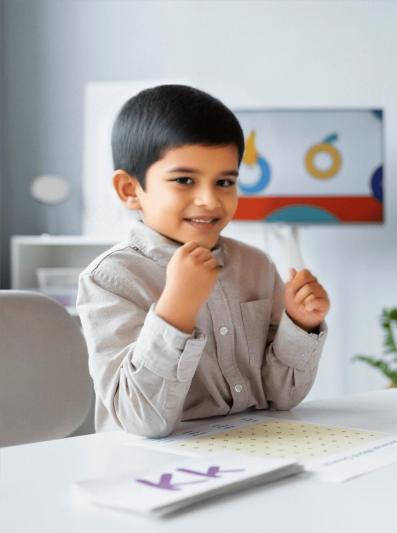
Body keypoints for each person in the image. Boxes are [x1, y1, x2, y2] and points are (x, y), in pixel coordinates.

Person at [77, 85, 330, 438]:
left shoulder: (256, 265)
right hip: (148, 462)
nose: (210, 200)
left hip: (252, 446)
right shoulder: (110, 279)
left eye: (224, 181)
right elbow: (140, 420)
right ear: (130, 190)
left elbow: (282, 398)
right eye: (184, 180)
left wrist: (300, 324)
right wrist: (177, 308)